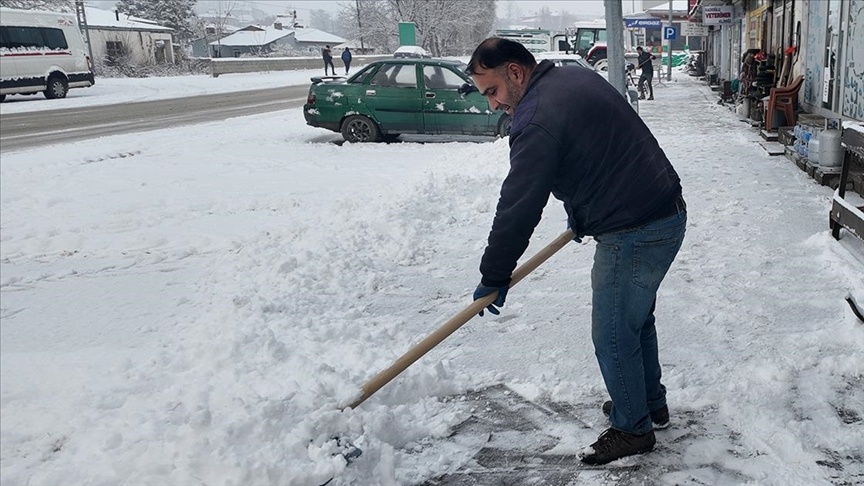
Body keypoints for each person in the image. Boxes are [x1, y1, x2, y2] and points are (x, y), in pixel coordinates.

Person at [466, 37, 686, 465]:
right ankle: (647, 402)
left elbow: (519, 206)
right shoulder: (571, 78)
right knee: (634, 321)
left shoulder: (536, 118)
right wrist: (583, 213)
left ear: (515, 72)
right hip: (662, 209)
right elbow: (595, 153)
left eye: (492, 91)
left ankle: (632, 428)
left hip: (635, 228)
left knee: (613, 332)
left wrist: (494, 274)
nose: (492, 104)